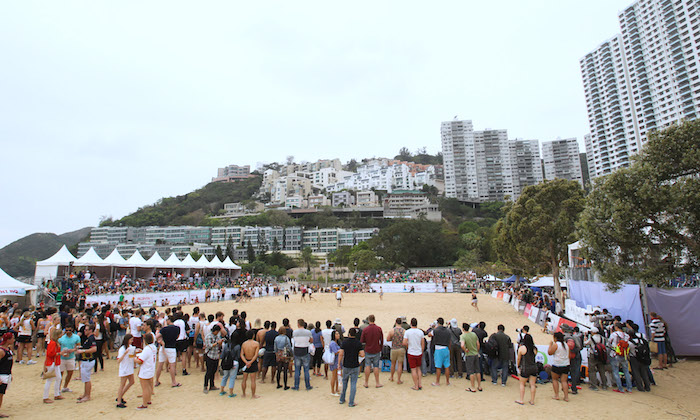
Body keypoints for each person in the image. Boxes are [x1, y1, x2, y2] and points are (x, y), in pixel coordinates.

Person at [338, 327, 364, 407]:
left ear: (349, 334)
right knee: (353, 383)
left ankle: (342, 399)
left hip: (346, 365)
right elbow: (362, 354)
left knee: (344, 382)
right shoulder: (358, 343)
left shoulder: (345, 342)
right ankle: (351, 402)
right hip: (355, 365)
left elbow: (341, 354)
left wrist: (339, 364)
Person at [155, 316, 181, 388]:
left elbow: (157, 336)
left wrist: (160, 341)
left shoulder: (164, 329)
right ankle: (173, 381)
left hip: (164, 347)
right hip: (172, 347)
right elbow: (177, 337)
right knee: (172, 365)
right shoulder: (177, 328)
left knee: (160, 365)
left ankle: (156, 380)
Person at [608, 322, 633, 393]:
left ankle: (620, 388)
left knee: (616, 371)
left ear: (616, 327)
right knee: (626, 371)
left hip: (615, 354)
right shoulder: (626, 335)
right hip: (624, 354)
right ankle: (629, 388)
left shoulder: (614, 334)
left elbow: (609, 343)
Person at [360, 314, 383, 388]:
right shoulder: (379, 329)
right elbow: (381, 340)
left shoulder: (366, 329)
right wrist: (380, 348)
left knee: (367, 366)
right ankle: (377, 382)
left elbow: (362, 340)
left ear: (368, 320)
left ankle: (366, 382)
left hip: (368, 349)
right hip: (376, 349)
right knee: (376, 366)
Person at [76, 325, 97, 403]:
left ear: (90, 330)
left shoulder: (91, 338)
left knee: (87, 378)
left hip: (88, 360)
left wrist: (83, 351)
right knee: (85, 378)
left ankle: (87, 395)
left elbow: (94, 349)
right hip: (86, 360)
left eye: (86, 330)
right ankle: (85, 394)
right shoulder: (89, 339)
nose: (85, 331)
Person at [135, 333, 156, 410]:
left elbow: (140, 361)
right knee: (149, 386)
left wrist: (134, 359)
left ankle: (144, 404)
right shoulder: (153, 347)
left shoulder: (147, 349)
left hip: (145, 369)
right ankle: (149, 400)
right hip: (151, 368)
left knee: (145, 387)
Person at [628, 323, 652, 392]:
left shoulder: (630, 342)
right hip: (642, 357)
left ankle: (640, 387)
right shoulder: (641, 340)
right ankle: (647, 386)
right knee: (644, 372)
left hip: (634, 358)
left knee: (636, 373)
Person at [515, 334, 537, 405]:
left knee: (522, 384)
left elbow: (519, 358)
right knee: (532, 384)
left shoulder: (522, 348)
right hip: (533, 367)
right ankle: (532, 400)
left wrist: (518, 366)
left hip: (525, 368)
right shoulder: (534, 349)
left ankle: (521, 399)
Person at [57, 325, 80, 393]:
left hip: (71, 357)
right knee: (60, 374)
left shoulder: (76, 337)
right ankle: (58, 388)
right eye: (66, 330)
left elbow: (78, 346)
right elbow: (58, 346)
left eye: (69, 330)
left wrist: (73, 350)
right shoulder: (61, 338)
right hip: (62, 358)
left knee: (70, 373)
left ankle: (65, 386)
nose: (68, 332)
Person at [547, 331, 570, 401]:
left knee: (555, 380)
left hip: (557, 364)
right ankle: (566, 396)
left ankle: (556, 395)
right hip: (565, 364)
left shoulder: (556, 344)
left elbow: (550, 352)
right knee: (564, 381)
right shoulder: (566, 345)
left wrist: (550, 345)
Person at [42, 328, 63, 404]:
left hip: (54, 362)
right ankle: (46, 397)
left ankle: (56, 394)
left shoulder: (54, 342)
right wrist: (59, 353)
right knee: (50, 380)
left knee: (58, 378)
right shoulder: (53, 343)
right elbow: (50, 354)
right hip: (52, 362)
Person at [292, 318, 313, 391]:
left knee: (297, 369)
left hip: (297, 350)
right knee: (306, 370)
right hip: (305, 350)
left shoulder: (295, 332)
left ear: (298, 324)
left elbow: (294, 341)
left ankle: (296, 386)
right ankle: (307, 386)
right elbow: (311, 340)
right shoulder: (308, 332)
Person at [403, 318, 424, 391]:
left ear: (411, 324)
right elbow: (422, 343)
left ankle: (416, 385)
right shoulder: (420, 332)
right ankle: (420, 384)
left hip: (411, 352)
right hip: (418, 352)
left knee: (413, 370)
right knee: (418, 368)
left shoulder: (407, 332)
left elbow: (404, 342)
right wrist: (421, 351)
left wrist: (408, 345)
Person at [116, 333, 136, 408]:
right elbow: (118, 360)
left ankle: (120, 396)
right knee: (122, 384)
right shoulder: (122, 349)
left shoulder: (130, 347)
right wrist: (125, 353)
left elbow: (131, 357)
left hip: (129, 367)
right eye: (131, 340)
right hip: (124, 368)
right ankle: (118, 401)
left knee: (131, 382)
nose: (132, 341)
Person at [460, 322, 481, 393]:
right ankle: (479, 386)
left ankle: (472, 387)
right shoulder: (474, 334)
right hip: (475, 354)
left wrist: (465, 350)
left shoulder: (463, 336)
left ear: (463, 329)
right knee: (478, 371)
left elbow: (462, 345)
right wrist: (477, 351)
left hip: (469, 355)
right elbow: (478, 344)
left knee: (471, 371)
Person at [430, 318, 451, 386]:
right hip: (446, 348)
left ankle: (437, 382)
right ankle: (447, 382)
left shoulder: (436, 330)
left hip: (438, 349)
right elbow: (450, 341)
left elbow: (429, 334)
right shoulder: (448, 330)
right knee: (447, 366)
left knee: (438, 366)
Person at [203, 324, 224, 393]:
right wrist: (217, 343)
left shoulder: (217, 336)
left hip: (216, 356)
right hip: (210, 356)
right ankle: (205, 386)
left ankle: (212, 385)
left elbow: (218, 346)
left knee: (214, 371)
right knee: (208, 372)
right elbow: (209, 346)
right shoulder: (208, 336)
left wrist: (220, 343)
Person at [240, 330, 261, 398]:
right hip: (252, 361)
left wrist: (246, 362)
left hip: (246, 360)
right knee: (253, 380)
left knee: (244, 379)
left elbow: (242, 354)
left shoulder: (244, 344)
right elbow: (256, 355)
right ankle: (253, 395)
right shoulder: (256, 344)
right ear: (253, 336)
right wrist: (251, 362)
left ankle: (243, 394)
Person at [386, 317, 405, 384]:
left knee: (393, 364)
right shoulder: (404, 331)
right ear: (401, 323)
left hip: (394, 348)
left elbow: (388, 339)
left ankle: (391, 377)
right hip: (401, 348)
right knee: (400, 364)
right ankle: (399, 379)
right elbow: (405, 341)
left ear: (396, 322)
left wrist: (393, 340)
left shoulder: (392, 330)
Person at [0, 333, 14, 418]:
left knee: (1, 394)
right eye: (12, 338)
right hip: (2, 375)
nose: (13, 340)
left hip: (6, 374)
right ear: (8, 340)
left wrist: (10, 373)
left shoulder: (8, 349)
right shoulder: (1, 351)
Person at [328, 330, 342, 396]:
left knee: (336, 376)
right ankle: (333, 391)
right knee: (334, 376)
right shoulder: (333, 343)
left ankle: (336, 389)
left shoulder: (336, 343)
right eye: (336, 334)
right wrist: (340, 351)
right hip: (334, 361)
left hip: (336, 361)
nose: (338, 335)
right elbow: (335, 351)